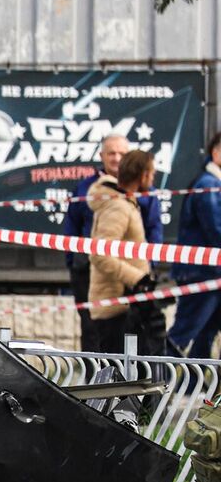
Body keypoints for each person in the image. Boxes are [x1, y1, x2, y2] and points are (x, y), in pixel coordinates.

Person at [65, 135, 161, 340]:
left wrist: (147, 267)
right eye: (111, 153)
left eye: (122, 154)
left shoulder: (141, 194)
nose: (117, 159)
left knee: (134, 349)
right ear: (101, 156)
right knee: (98, 341)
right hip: (100, 279)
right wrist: (73, 260)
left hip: (128, 283)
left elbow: (153, 228)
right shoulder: (99, 195)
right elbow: (74, 227)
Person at [84, 149, 164, 355]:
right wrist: (137, 278)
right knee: (122, 379)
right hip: (116, 308)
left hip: (126, 304)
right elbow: (99, 253)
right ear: (143, 175)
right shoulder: (117, 207)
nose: (153, 178)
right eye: (152, 173)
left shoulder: (125, 202)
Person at [169, 132, 221, 359]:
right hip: (201, 274)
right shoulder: (208, 185)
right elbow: (216, 229)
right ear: (216, 153)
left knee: (207, 332)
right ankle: (161, 385)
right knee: (184, 333)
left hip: (212, 274)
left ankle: (194, 388)